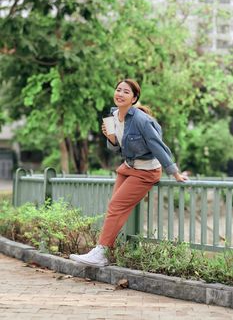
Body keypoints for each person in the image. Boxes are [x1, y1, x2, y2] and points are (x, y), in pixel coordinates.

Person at [70, 79, 187, 267]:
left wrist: (174, 173)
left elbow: (157, 146)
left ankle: (100, 252)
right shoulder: (111, 117)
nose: (120, 94)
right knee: (115, 208)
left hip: (147, 171)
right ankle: (104, 251)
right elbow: (115, 148)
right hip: (128, 167)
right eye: (118, 90)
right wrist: (111, 138)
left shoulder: (142, 120)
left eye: (126, 92)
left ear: (134, 98)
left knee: (116, 206)